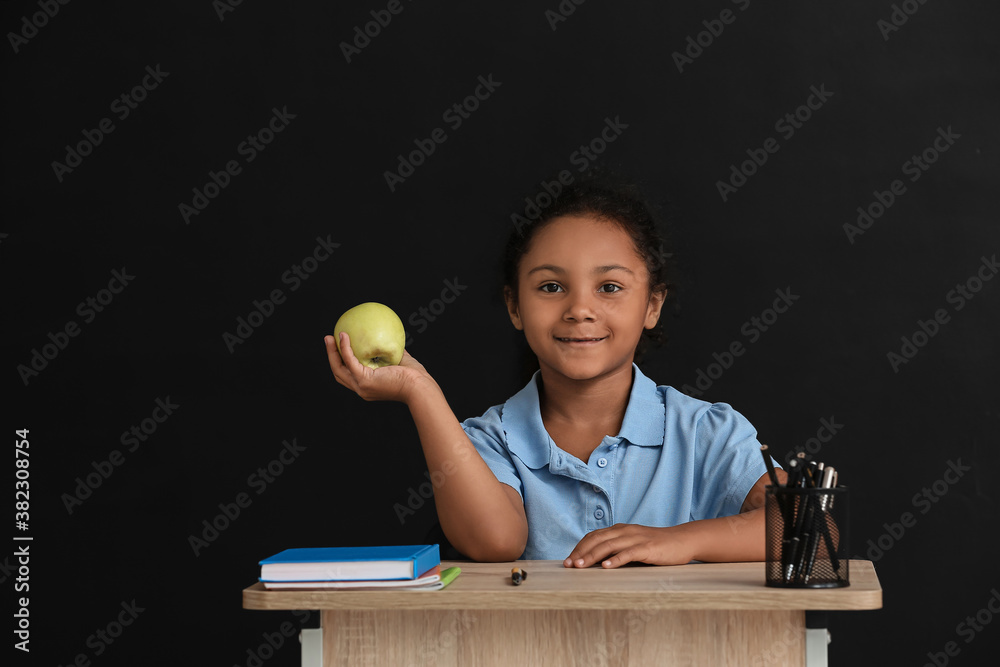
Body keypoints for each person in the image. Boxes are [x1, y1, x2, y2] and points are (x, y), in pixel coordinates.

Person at [325, 176, 783, 568]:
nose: (579, 309)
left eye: (609, 287)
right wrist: (419, 390)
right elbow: (495, 542)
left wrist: (680, 540)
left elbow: (810, 528)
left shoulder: (704, 432)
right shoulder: (488, 441)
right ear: (514, 305)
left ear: (653, 305)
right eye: (550, 286)